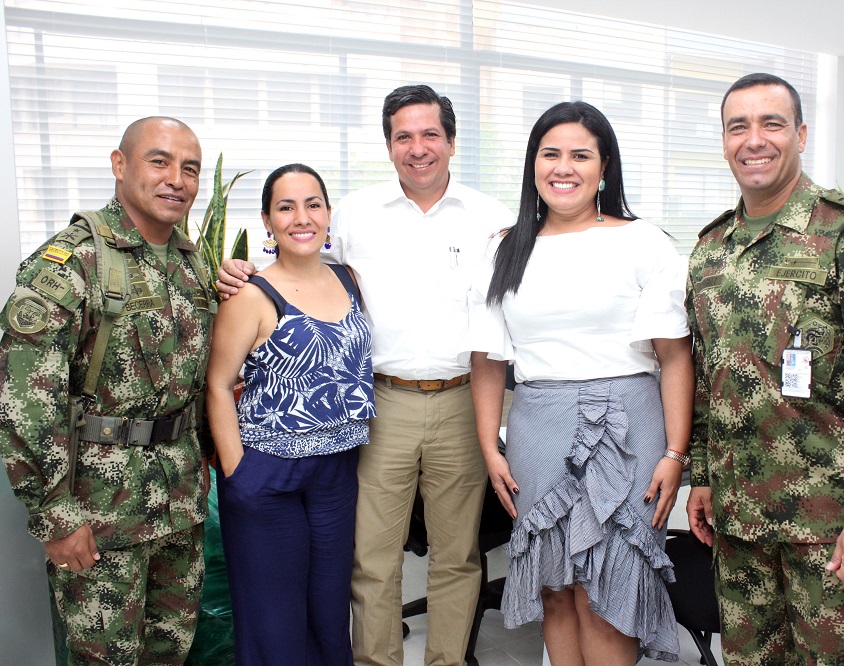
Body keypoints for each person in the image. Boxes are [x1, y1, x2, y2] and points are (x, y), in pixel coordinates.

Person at [216, 84, 513, 666]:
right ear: (388, 144)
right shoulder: (351, 214)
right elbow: (295, 262)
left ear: (452, 142)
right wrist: (236, 266)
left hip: (462, 400)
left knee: (458, 556)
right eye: (404, 136)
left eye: (431, 134)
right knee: (373, 557)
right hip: (380, 406)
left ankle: (446, 660)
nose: (418, 148)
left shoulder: (492, 218)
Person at [685, 72, 844, 664]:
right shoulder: (711, 250)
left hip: (830, 526)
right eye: (738, 126)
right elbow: (709, 377)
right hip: (740, 519)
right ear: (724, 141)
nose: (754, 140)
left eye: (771, 123)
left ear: (800, 134)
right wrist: (703, 474)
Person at [467, 101, 693, 665]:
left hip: (627, 426)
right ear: (532, 164)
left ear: (604, 167)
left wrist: (674, 451)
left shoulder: (643, 242)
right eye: (550, 154)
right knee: (557, 586)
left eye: (580, 155)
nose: (563, 168)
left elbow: (674, 356)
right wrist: (488, 447)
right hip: (537, 426)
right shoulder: (503, 249)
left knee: (610, 587)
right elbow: (488, 361)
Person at [0, 117, 214, 664]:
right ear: (120, 166)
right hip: (99, 516)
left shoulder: (191, 265)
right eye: (159, 161)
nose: (177, 180)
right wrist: (56, 516)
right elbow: (24, 398)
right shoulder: (74, 261)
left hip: (178, 506)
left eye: (190, 168)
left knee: (171, 653)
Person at [205, 163, 374, 664]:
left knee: (327, 614)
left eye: (313, 204)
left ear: (327, 214)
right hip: (267, 475)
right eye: (286, 207)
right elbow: (217, 384)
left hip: (337, 474)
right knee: (274, 622)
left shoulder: (351, 279)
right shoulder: (253, 295)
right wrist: (238, 471)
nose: (302, 218)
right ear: (267, 220)